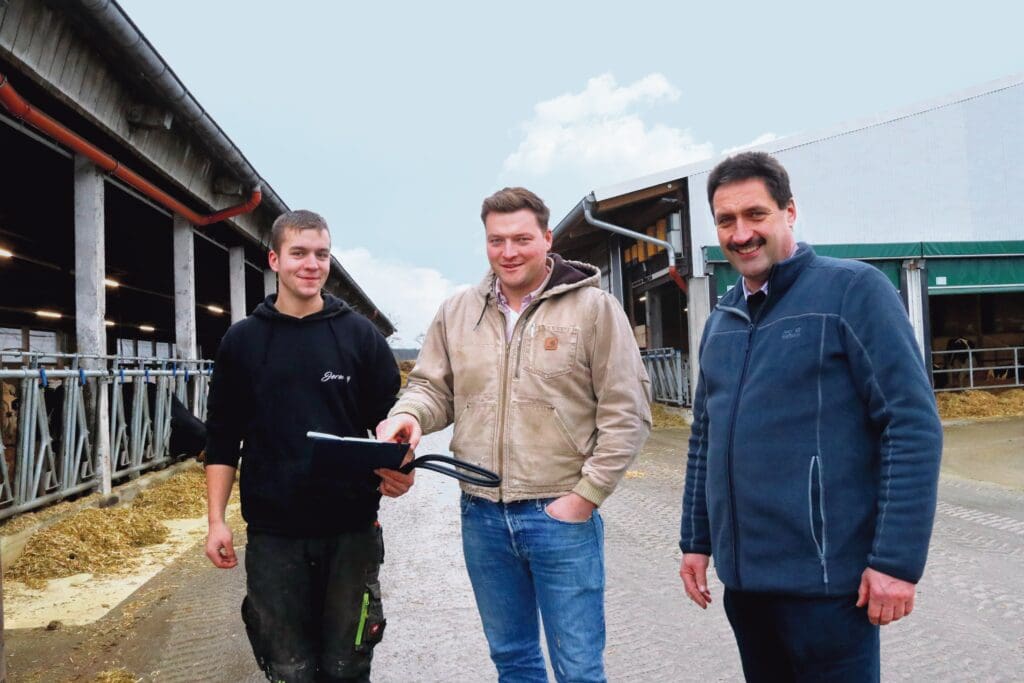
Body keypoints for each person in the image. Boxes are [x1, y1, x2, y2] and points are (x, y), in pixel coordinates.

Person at [679, 152, 942, 681]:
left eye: (756, 214)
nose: (741, 233)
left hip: (829, 588)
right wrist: (696, 540)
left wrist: (895, 561)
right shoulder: (721, 321)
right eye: (726, 220)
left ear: (789, 212)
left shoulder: (851, 292)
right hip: (747, 588)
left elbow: (911, 425)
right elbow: (705, 437)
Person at [376, 187, 651, 682]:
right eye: (495, 240)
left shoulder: (593, 309)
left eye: (521, 239)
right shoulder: (458, 311)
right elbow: (432, 388)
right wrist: (410, 417)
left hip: (560, 515)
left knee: (579, 669)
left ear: (547, 239)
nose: (508, 252)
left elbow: (627, 411)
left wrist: (585, 497)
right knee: (513, 661)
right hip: (481, 515)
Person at [203, 209, 413, 683]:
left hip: (351, 530)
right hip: (274, 534)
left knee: (348, 664)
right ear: (275, 259)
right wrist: (216, 521)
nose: (311, 264)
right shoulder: (243, 341)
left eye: (321, 254)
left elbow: (391, 423)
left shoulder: (359, 336)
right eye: (298, 253)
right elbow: (222, 439)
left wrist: (403, 467)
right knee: (287, 667)